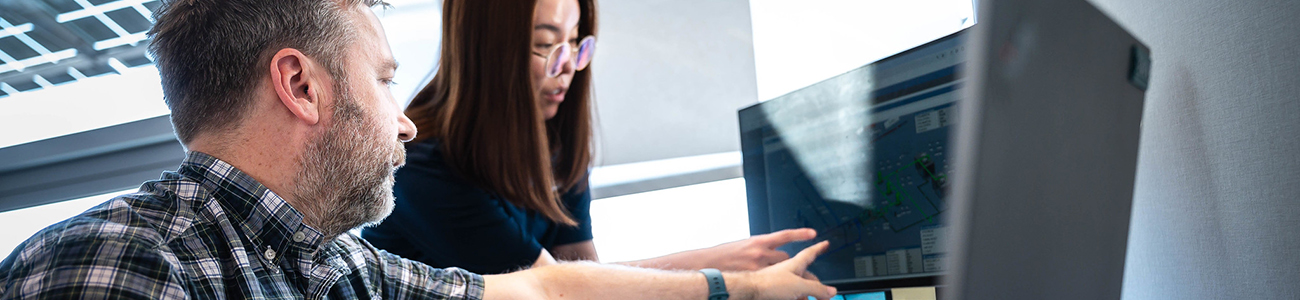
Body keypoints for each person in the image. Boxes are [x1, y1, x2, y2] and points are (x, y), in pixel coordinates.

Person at [0, 1, 840, 299]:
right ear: (303, 87)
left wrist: (735, 289)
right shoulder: (119, 265)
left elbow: (543, 290)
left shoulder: (332, 268)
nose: (406, 122)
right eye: (386, 80)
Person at [363, 0, 813, 275]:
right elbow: (556, 287)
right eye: (545, 44)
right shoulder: (421, 165)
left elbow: (584, 270)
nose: (568, 68)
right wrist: (717, 266)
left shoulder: (553, 141)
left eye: (576, 43)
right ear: (486, 48)